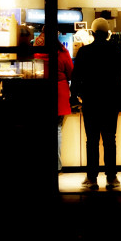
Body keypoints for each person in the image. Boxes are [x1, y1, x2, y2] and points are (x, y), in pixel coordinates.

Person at [71, 17, 121, 189]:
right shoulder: (117, 51)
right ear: (107, 34)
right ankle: (111, 178)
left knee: (91, 140)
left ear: (92, 33)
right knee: (109, 139)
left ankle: (91, 178)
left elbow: (75, 77)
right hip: (111, 101)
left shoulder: (84, 52)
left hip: (91, 100)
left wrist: (75, 96)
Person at [34, 30, 74, 172]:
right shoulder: (62, 52)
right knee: (56, 130)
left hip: (40, 93)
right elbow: (71, 73)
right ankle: (56, 166)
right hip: (59, 94)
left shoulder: (36, 52)